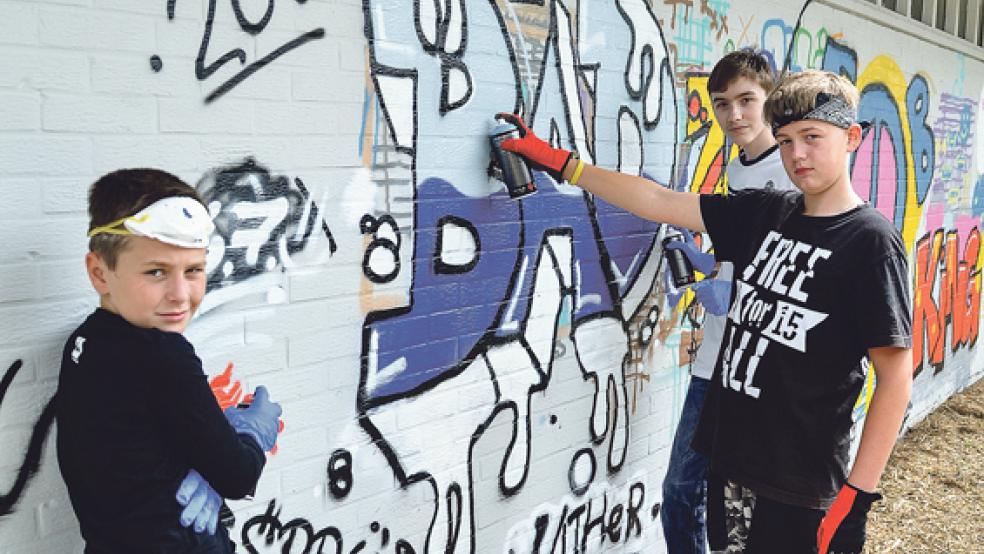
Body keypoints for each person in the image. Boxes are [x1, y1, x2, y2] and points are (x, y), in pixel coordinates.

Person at [496, 68, 912, 553]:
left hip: (799, 483)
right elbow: (658, 201)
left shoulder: (870, 242)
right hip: (734, 461)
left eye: (812, 137)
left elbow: (895, 377)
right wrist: (561, 164)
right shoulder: (766, 212)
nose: (797, 155)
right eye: (784, 140)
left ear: (852, 137)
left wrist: (856, 498)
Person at [55, 169, 283, 552]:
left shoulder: (84, 341)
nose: (180, 294)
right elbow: (237, 476)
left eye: (193, 270)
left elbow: (128, 451)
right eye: (156, 272)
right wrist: (250, 433)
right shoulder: (163, 353)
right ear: (100, 273)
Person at [659, 49, 796, 554]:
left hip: (762, 365)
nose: (734, 115)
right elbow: (747, 253)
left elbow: (797, 272)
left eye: (746, 100)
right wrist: (709, 264)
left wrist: (736, 292)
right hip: (715, 357)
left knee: (745, 508)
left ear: (770, 100)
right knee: (679, 491)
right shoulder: (738, 170)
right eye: (722, 104)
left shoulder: (790, 171)